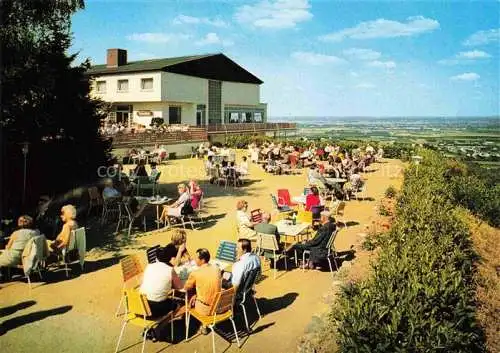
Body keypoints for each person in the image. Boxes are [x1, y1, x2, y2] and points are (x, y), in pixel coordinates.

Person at [140, 247, 184, 317]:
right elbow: (180, 287)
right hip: (154, 309)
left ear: (156, 258)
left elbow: (143, 281)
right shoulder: (170, 270)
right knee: (178, 305)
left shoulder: (149, 266)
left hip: (141, 305)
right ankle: (174, 322)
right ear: (169, 258)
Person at [184, 248, 221, 317]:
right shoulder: (217, 268)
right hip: (219, 306)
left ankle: (185, 316)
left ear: (203, 260)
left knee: (190, 292)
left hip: (206, 309)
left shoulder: (195, 273)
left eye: (196, 258)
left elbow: (185, 288)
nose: (194, 260)